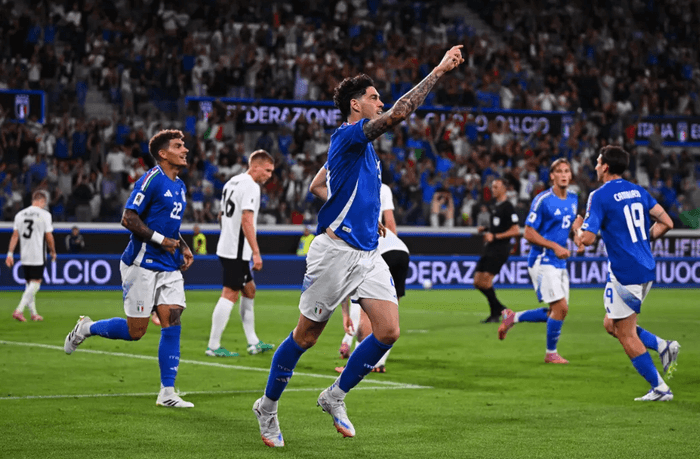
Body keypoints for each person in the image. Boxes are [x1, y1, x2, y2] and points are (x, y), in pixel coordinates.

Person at [252, 45, 464, 447]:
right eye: (374, 97)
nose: (380, 102)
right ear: (355, 104)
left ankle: (334, 395)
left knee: (388, 331)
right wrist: (437, 71)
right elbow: (399, 113)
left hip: (368, 253)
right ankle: (267, 406)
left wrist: (362, 215)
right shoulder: (349, 135)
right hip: (335, 254)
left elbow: (318, 184)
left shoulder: (360, 149)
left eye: (380, 98)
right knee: (305, 337)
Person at [63, 129, 195, 408]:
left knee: (172, 321)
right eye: (178, 145)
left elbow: (170, 225)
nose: (185, 149)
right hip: (141, 263)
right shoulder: (151, 179)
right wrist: (161, 240)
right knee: (136, 331)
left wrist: (182, 245)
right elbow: (128, 218)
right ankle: (87, 327)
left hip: (168, 265)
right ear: (163, 153)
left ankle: (167, 392)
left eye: (184, 145)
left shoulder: (180, 186)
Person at [572, 145, 679, 401]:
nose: (596, 166)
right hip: (646, 268)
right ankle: (663, 346)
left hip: (624, 272)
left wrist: (577, 229)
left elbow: (587, 239)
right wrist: (640, 240)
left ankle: (660, 388)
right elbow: (667, 222)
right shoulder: (638, 191)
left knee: (625, 333)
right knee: (611, 324)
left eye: (598, 162)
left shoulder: (599, 195)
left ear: (606, 167)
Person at [498, 159, 579, 363]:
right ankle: (551, 353)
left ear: (570, 175)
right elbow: (528, 233)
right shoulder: (543, 200)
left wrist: (578, 235)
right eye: (559, 171)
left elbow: (573, 221)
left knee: (556, 312)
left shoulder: (573, 198)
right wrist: (555, 246)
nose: (563, 175)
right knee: (561, 308)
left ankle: (513, 317)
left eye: (566, 171)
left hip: (559, 262)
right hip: (542, 259)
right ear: (552, 176)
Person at [206, 150, 276, 357]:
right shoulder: (251, 186)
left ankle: (253, 342)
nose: (269, 175)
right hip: (237, 250)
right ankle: (213, 346)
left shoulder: (232, 182)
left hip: (228, 246)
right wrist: (256, 252)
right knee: (230, 293)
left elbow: (221, 215)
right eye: (267, 170)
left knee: (249, 290)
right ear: (255, 166)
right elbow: (247, 219)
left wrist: (228, 235)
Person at [474, 178, 521, 323]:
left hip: (500, 248)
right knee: (477, 281)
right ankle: (500, 309)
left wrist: (494, 236)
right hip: (491, 247)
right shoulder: (495, 206)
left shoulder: (508, 207)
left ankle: (497, 312)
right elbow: (500, 226)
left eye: (496, 187)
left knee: (486, 281)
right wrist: (486, 229)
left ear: (504, 189)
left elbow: (515, 230)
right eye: (492, 187)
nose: (493, 189)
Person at [6, 190, 56, 322]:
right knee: (36, 284)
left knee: (29, 284)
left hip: (25, 254)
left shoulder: (20, 214)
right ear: (42, 201)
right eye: (44, 203)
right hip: (37, 254)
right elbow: (49, 236)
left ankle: (34, 314)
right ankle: (19, 310)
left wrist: (10, 254)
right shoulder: (45, 214)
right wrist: (53, 251)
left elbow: (15, 236)